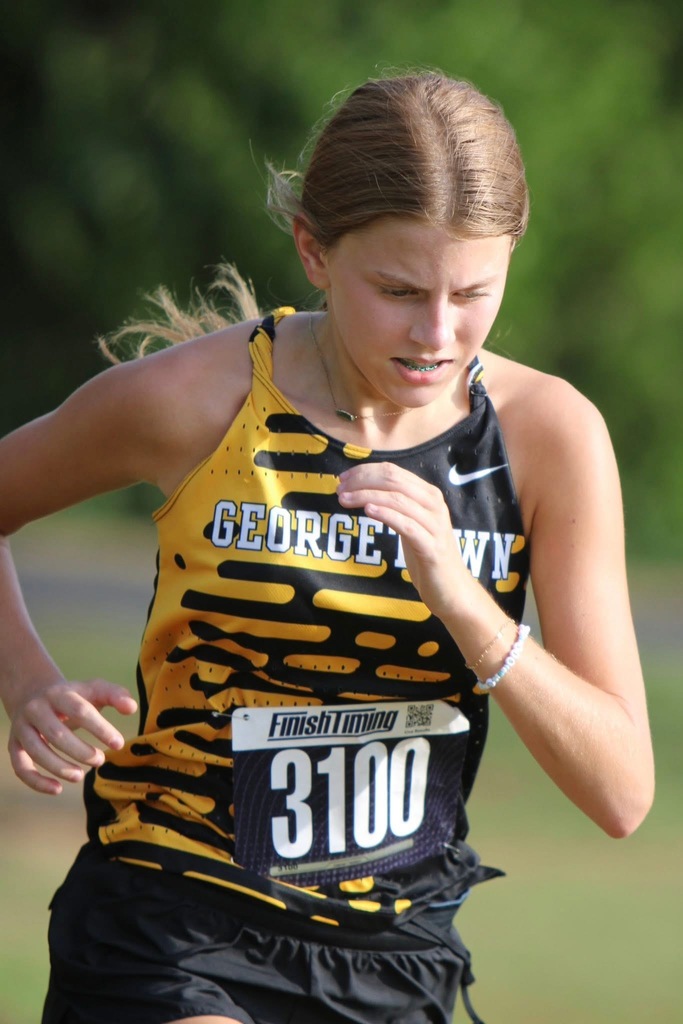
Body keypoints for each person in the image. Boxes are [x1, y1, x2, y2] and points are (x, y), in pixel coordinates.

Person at [0, 71, 654, 1024]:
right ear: (312, 248)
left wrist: (465, 602)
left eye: (473, 292)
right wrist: (25, 685)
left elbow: (621, 792)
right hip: (171, 921)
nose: (437, 335)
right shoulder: (195, 401)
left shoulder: (547, 437)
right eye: (396, 291)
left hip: (396, 952)